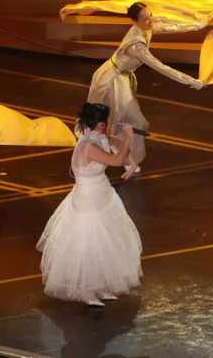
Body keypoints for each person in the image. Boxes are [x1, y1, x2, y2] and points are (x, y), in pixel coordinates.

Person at [37, 103, 142, 306]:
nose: (114, 124)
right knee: (89, 243)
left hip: (102, 193)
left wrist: (133, 162)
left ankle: (99, 286)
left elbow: (117, 143)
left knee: (105, 241)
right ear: (101, 124)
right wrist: (130, 138)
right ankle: (86, 290)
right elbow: (115, 160)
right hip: (88, 199)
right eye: (110, 121)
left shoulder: (99, 138)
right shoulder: (89, 147)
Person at [87, 2, 205, 170]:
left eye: (151, 16)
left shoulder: (145, 27)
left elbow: (169, 26)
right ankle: (123, 157)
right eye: (145, 19)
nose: (150, 22)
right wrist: (192, 81)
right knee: (132, 120)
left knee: (121, 119)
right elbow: (160, 67)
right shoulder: (136, 46)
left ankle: (119, 152)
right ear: (135, 22)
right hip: (112, 78)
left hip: (122, 76)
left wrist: (197, 23)